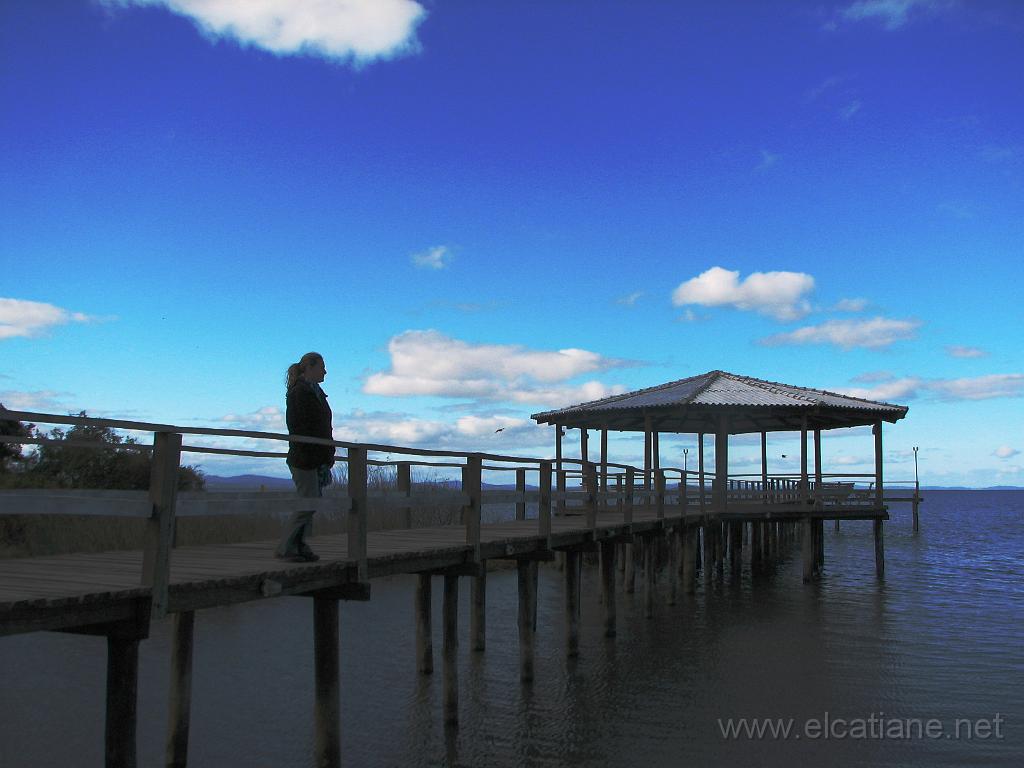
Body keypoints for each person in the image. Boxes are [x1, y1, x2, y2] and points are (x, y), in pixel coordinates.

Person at [276, 352, 335, 562]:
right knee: (308, 502)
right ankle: (286, 546)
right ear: (309, 367)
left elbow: (323, 428)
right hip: (305, 457)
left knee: (311, 502)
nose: (325, 371)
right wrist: (316, 452)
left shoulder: (315, 393)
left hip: (315, 457)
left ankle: (299, 545)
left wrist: (326, 455)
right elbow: (299, 427)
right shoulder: (300, 393)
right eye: (322, 366)